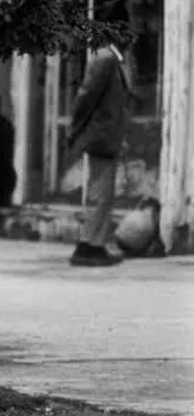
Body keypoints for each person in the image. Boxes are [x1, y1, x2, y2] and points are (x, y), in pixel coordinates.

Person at [67, 39, 131, 267]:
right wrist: (74, 128)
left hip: (107, 137)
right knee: (99, 193)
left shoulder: (111, 60)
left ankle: (94, 243)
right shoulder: (106, 59)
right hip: (101, 137)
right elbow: (87, 95)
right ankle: (89, 245)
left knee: (103, 193)